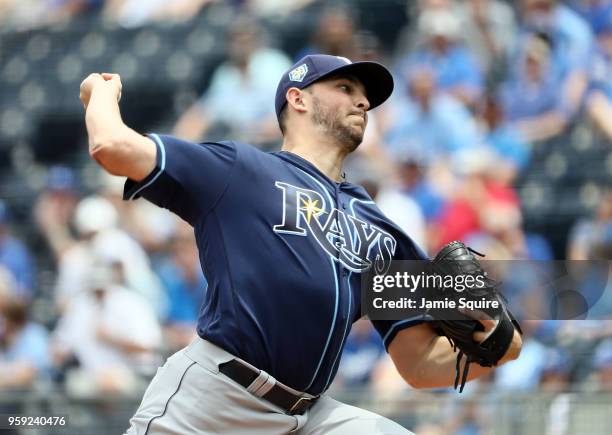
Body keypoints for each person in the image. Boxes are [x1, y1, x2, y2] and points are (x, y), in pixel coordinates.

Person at [79, 53, 522, 434]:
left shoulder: (379, 230)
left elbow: (418, 363)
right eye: (346, 87)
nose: (363, 102)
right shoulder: (241, 172)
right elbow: (112, 146)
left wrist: (496, 348)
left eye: (364, 96)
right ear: (298, 98)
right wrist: (98, 95)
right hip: (213, 401)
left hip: (306, 417)